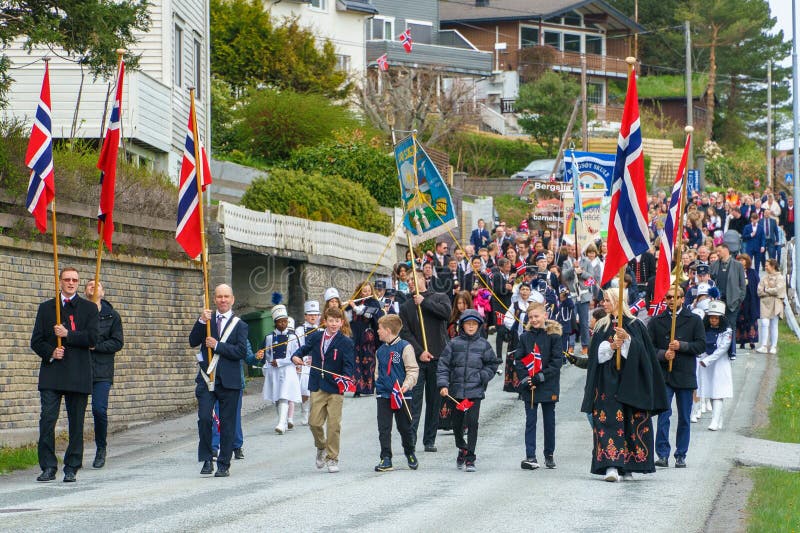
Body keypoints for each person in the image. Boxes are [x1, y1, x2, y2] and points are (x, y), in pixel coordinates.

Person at [580, 289, 668, 482]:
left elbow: (645, 356)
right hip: (606, 381)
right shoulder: (601, 326)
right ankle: (611, 465)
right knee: (608, 421)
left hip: (631, 381)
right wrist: (611, 347)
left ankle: (628, 464)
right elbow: (594, 356)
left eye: (607, 300)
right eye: (603, 300)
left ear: (618, 301)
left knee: (630, 421)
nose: (603, 304)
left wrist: (628, 341)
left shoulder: (635, 325)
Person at [31, 267, 99, 483]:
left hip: (78, 372)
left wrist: (68, 335)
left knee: (76, 422)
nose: (71, 283)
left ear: (78, 283)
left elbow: (93, 338)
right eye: (67, 279)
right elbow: (36, 340)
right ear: (60, 281)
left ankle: (72, 465)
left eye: (75, 280)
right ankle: (48, 466)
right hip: (53, 373)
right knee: (47, 420)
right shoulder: (46, 308)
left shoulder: (89, 308)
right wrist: (51, 351)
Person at [189, 284, 249, 477]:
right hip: (207, 379)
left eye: (226, 297)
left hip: (229, 381)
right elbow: (192, 341)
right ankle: (207, 459)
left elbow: (240, 352)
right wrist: (200, 321)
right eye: (219, 297)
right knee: (205, 418)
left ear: (232, 299)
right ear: (214, 299)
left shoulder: (240, 324)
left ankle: (224, 464)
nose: (223, 300)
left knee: (228, 422)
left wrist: (218, 346)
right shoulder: (207, 321)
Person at [291, 307, 355, 473]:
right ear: (325, 321)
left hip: (335, 388)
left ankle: (332, 458)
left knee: (334, 425)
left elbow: (349, 366)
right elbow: (302, 350)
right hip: (317, 385)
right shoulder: (316, 336)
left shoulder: (346, 342)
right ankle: (321, 447)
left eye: (337, 321)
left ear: (342, 322)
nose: (334, 324)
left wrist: (346, 378)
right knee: (314, 423)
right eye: (331, 320)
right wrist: (295, 356)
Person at [648, 286, 706, 469]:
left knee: (684, 417)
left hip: (685, 375)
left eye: (676, 297)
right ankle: (662, 454)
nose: (672, 300)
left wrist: (683, 346)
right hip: (664, 375)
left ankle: (681, 454)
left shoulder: (694, 320)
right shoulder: (657, 321)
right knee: (663, 415)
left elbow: (701, 345)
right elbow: (648, 348)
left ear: (683, 299)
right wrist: (662, 355)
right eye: (668, 297)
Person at [436, 310, 498, 472]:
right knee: (456, 424)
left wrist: (482, 376)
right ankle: (461, 447)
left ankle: (470, 457)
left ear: (479, 326)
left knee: (472, 423)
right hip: (456, 393)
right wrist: (443, 385)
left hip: (474, 392)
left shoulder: (484, 344)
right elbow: (443, 365)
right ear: (462, 325)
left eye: (474, 324)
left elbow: (492, 364)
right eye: (468, 324)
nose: (471, 326)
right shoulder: (454, 344)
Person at [399, 271, 451, 452]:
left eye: (413, 279)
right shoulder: (406, 306)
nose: (410, 283)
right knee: (415, 401)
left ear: (423, 280)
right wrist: (420, 352)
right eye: (407, 281)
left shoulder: (439, 297)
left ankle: (429, 439)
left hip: (438, 357)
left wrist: (425, 303)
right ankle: (411, 439)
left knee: (434, 401)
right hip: (418, 359)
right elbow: (404, 333)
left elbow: (447, 314)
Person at [514, 302, 563, 470]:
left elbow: (556, 363)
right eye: (531, 317)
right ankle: (530, 455)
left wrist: (540, 377)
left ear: (545, 316)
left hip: (548, 385)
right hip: (530, 387)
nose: (534, 320)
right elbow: (519, 359)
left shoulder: (554, 336)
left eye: (536, 316)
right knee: (530, 421)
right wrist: (526, 378)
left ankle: (549, 454)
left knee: (549, 422)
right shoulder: (525, 337)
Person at [83, 280, 124, 470]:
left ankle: (101, 448)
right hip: (80, 368)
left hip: (102, 370)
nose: (93, 287)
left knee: (99, 409)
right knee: (76, 412)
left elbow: (117, 342)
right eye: (90, 285)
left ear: (103, 292)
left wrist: (96, 346)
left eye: (97, 285)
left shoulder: (112, 316)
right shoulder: (79, 313)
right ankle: (76, 452)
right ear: (85, 291)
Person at [373, 315, 420, 472]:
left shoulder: (405, 347)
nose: (377, 331)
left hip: (402, 394)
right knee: (384, 428)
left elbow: (412, 370)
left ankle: (410, 451)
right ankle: (385, 457)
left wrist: (406, 385)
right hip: (384, 394)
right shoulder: (380, 350)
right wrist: (378, 386)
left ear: (387, 330)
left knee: (405, 427)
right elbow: (378, 372)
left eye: (379, 329)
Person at [259, 304, 302, 434]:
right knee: (277, 397)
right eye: (280, 321)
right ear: (275, 323)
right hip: (274, 371)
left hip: (287, 370)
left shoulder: (293, 337)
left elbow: (296, 355)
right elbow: (266, 355)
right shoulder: (269, 337)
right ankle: (281, 420)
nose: (283, 324)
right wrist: (265, 363)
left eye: (285, 321)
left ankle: (282, 424)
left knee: (284, 395)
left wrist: (281, 362)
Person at [697, 301, 734, 431]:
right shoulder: (704, 329)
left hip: (720, 363)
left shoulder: (727, 331)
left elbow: (723, 348)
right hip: (705, 362)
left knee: (718, 391)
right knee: (710, 391)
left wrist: (708, 360)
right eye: (711, 317)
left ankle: (714, 420)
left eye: (716, 318)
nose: (713, 320)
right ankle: (718, 417)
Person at [346, 282, 383, 396]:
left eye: (368, 291)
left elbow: (367, 314)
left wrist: (354, 307)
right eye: (364, 291)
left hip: (367, 338)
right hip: (355, 336)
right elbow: (347, 317)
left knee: (368, 361)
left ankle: (368, 388)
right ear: (359, 291)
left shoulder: (374, 303)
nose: (366, 293)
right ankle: (357, 388)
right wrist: (345, 308)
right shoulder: (355, 302)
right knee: (355, 362)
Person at [710, 244, 746, 358]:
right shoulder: (715, 265)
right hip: (718, 302)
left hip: (732, 302)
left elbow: (742, 285)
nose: (717, 253)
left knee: (731, 326)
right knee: (718, 325)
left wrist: (739, 299)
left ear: (726, 250)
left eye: (719, 251)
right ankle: (718, 349)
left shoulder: (738, 265)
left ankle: (732, 351)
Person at [502, 282, 534, 393]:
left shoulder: (533, 305)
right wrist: (516, 326)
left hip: (530, 338)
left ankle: (530, 384)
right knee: (517, 361)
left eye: (527, 289)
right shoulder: (515, 305)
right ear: (519, 291)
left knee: (529, 360)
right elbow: (506, 319)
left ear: (530, 292)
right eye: (523, 289)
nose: (525, 291)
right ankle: (518, 386)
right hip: (516, 338)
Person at [295, 300, 322, 425]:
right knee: (305, 390)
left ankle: (314, 414)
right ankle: (304, 412)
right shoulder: (300, 330)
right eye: (310, 314)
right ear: (305, 316)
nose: (313, 317)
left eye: (315, 314)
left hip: (317, 363)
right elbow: (298, 346)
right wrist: (301, 360)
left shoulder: (321, 330)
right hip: (304, 362)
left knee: (316, 390)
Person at [756, 259, 786, 354]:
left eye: (767, 265)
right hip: (765, 303)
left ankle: (773, 346)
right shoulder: (764, 278)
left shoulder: (780, 277)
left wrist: (767, 290)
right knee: (764, 323)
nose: (765, 267)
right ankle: (764, 345)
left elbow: (779, 290)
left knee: (774, 324)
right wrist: (770, 291)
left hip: (776, 303)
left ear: (773, 266)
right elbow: (759, 291)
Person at [735, 254, 760, 350]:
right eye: (740, 260)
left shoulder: (752, 272)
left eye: (743, 260)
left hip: (750, 300)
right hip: (740, 301)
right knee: (740, 321)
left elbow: (757, 284)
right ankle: (741, 341)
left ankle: (752, 340)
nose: (741, 262)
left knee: (751, 321)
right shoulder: (735, 272)